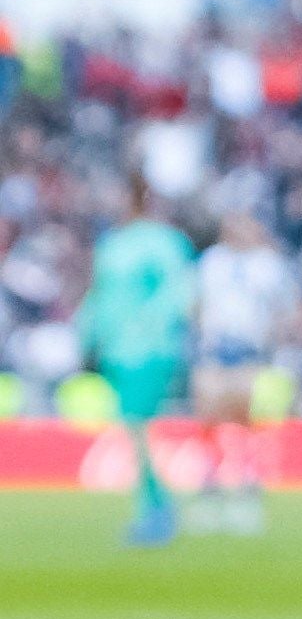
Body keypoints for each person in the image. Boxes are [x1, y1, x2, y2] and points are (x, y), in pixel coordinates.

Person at [75, 176, 197, 547]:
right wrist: (87, 336)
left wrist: (149, 328)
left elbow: (179, 293)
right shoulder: (112, 244)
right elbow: (100, 295)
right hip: (116, 351)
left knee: (137, 425)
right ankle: (154, 506)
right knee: (133, 427)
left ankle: (157, 509)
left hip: (148, 349)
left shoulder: (162, 243)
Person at [191, 211, 299, 535]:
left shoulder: (268, 265)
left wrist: (276, 347)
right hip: (214, 349)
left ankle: (248, 486)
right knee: (210, 419)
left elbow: (284, 309)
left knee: (249, 419)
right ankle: (210, 485)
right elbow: (197, 304)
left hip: (252, 350)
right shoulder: (212, 262)